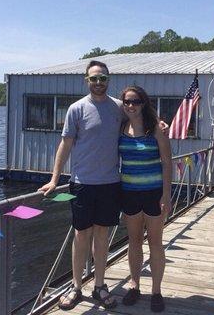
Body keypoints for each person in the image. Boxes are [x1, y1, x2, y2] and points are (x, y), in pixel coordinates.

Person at [38, 60, 122, 310]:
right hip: (82, 183)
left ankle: (99, 285)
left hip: (110, 183)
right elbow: (65, 144)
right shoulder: (76, 108)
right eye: (94, 78)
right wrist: (55, 179)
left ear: (109, 80)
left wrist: (160, 125)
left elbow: (141, 118)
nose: (99, 83)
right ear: (86, 80)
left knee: (102, 235)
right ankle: (76, 286)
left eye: (103, 78)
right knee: (80, 235)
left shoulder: (118, 107)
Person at [118, 86, 172, 313]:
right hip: (129, 193)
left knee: (155, 243)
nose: (131, 105)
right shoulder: (120, 127)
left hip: (153, 194)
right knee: (134, 242)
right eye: (127, 101)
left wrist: (166, 195)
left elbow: (167, 163)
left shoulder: (156, 129)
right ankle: (134, 285)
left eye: (136, 101)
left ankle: (156, 291)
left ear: (144, 103)